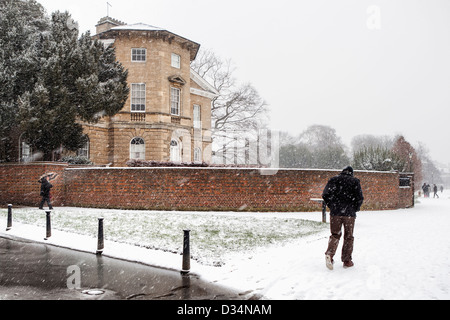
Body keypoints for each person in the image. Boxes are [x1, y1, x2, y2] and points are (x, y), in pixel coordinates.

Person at [322, 166, 364, 270]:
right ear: (351, 173)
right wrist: (355, 208)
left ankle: (330, 255)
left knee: (335, 235)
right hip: (349, 214)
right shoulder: (355, 182)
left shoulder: (333, 180)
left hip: (335, 213)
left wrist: (332, 205)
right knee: (348, 236)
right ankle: (347, 260)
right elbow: (359, 198)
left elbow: (325, 194)